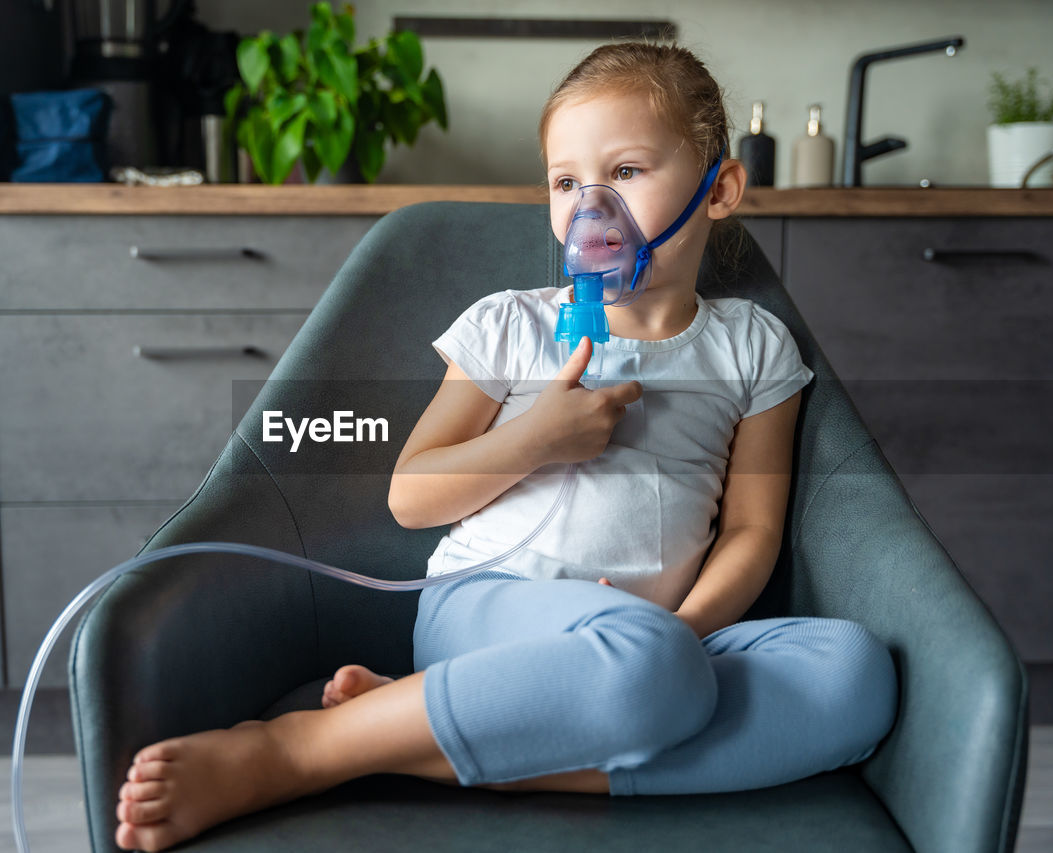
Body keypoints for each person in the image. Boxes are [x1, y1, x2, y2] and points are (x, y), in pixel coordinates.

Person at [113, 42, 899, 853]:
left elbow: (751, 532)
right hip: (489, 607)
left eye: (625, 171)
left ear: (720, 189)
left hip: (660, 636)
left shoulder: (752, 346)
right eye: (566, 183)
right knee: (653, 672)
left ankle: (415, 737)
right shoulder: (512, 325)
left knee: (852, 672)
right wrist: (537, 438)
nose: (593, 206)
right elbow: (411, 493)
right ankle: (295, 750)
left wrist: (686, 630)